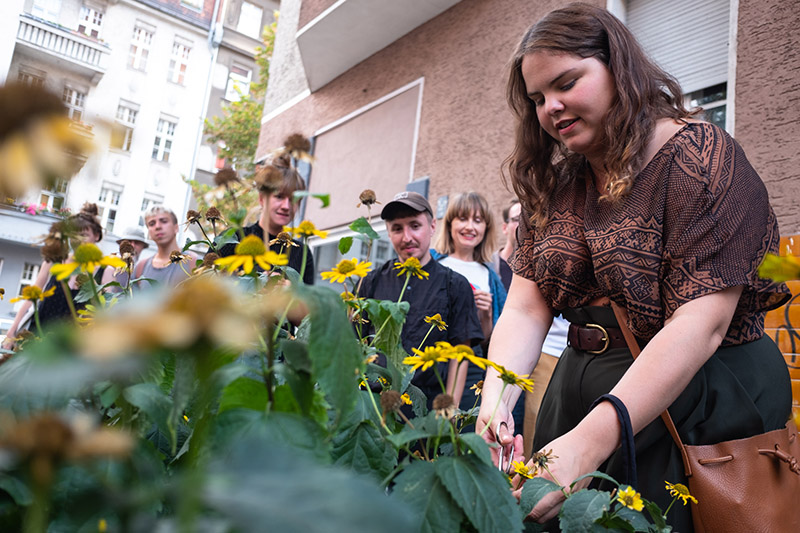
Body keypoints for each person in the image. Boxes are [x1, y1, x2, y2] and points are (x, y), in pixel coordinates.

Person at [476, 4, 791, 531]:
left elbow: (700, 325)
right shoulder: (556, 187)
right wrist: (494, 404)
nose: (551, 107)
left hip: (700, 395)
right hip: (579, 390)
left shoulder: (701, 156)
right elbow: (528, 308)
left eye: (566, 82)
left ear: (618, 68)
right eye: (537, 98)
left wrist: (589, 442)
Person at [358, 191, 484, 410]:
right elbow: (357, 342)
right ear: (388, 233)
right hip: (376, 404)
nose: (407, 237)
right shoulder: (371, 281)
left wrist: (449, 411)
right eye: (397, 228)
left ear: (432, 226)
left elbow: (460, 355)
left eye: (415, 226)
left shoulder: (455, 285)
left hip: (428, 407)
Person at [494, 198, 569, 459]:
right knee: (537, 426)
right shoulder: (499, 265)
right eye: (516, 219)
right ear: (506, 226)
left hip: (576, 351)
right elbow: (521, 312)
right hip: (544, 348)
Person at [432, 192, 506, 413]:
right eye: (463, 218)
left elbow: (485, 341)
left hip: (469, 368)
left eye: (478, 220)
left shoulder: (491, 278)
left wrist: (485, 314)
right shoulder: (434, 264)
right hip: (430, 360)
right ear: (450, 224)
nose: (470, 227)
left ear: (486, 228)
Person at [1, 203, 105, 350]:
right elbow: (32, 297)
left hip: (73, 346)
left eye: (84, 235)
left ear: (97, 236)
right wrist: (12, 332)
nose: (78, 240)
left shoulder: (104, 270)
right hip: (38, 336)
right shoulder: (54, 260)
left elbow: (104, 311)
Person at [218, 162, 315, 283]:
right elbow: (204, 282)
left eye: (293, 199)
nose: (286, 206)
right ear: (261, 198)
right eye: (279, 196)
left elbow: (310, 300)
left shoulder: (301, 253)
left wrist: (292, 294)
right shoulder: (231, 239)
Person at [134, 206, 195, 288]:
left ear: (176, 227)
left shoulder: (194, 262)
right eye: (152, 224)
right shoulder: (140, 268)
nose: (158, 226)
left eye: (164, 221)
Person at [102, 226, 149, 292]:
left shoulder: (145, 270)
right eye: (128, 241)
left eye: (137, 242)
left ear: (143, 247)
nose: (132, 245)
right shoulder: (108, 267)